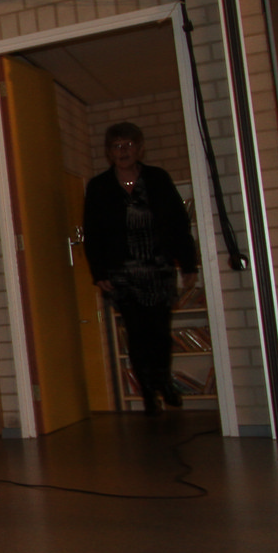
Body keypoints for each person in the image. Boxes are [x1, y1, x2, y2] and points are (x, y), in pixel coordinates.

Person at [82, 121, 198, 414]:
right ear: (109, 152)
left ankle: (163, 382)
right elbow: (93, 233)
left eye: (129, 145)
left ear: (140, 148)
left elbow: (179, 223)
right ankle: (148, 391)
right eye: (117, 146)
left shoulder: (158, 179)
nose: (123, 151)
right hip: (122, 274)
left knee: (160, 331)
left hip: (158, 269)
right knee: (136, 333)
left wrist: (188, 264)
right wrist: (99, 273)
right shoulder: (99, 186)